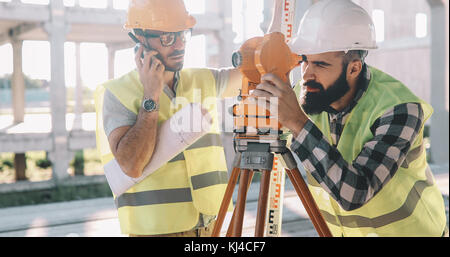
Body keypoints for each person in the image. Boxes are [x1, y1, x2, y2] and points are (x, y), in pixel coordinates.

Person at [251, 0, 447, 237]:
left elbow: (355, 192)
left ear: (354, 68)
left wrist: (296, 122)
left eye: (320, 64)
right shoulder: (308, 95)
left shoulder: (400, 110)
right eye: (304, 60)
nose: (306, 74)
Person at [94, 0, 242, 237]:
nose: (180, 45)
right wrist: (150, 94)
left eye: (183, 34)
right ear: (140, 39)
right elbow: (131, 165)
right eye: (167, 38)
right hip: (156, 232)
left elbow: (254, 75)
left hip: (212, 225)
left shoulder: (204, 80)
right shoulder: (119, 93)